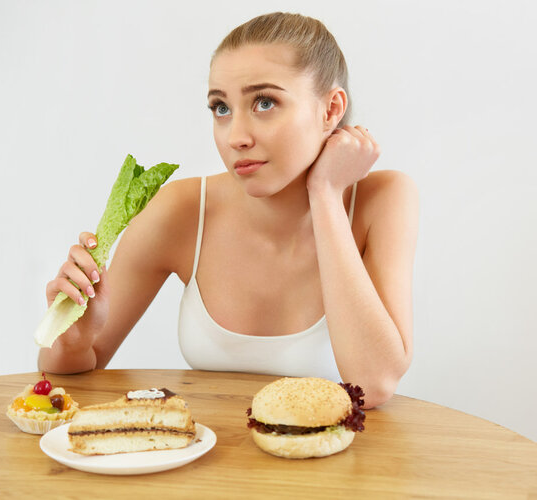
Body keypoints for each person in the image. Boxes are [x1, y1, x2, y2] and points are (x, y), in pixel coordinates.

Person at [38, 12, 418, 409]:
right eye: (221, 108)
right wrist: (71, 340)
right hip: (207, 465)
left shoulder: (384, 199)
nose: (236, 137)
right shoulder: (181, 210)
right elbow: (72, 377)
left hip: (334, 466)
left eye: (265, 102)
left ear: (330, 109)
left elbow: (373, 384)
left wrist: (325, 193)